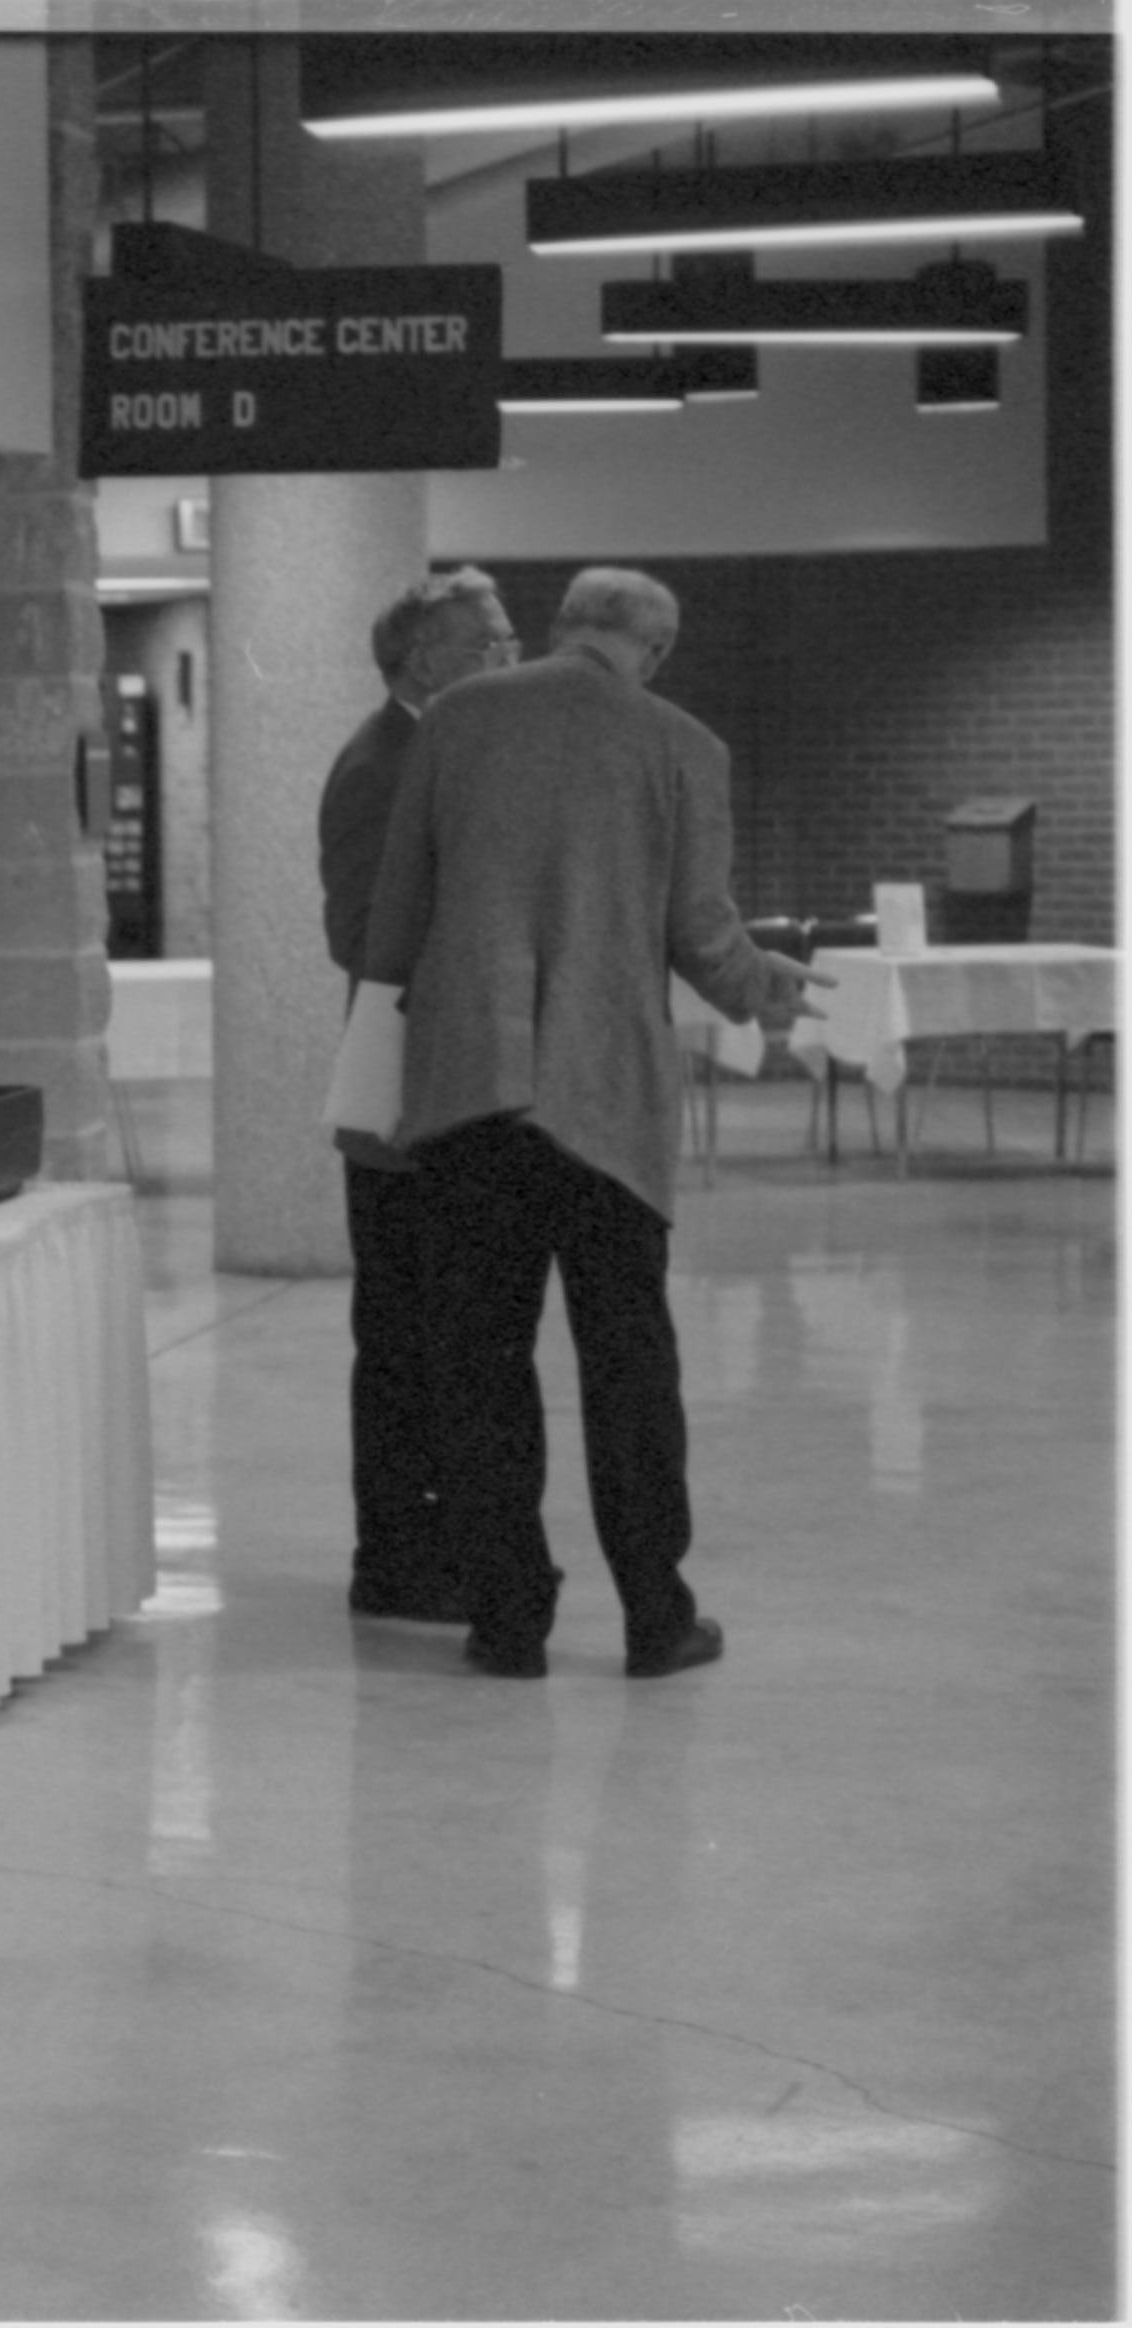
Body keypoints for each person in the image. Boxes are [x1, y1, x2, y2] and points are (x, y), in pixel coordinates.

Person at [359, 567, 827, 1681]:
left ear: (562, 628)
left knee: (479, 1365)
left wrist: (384, 1039)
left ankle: (509, 1621)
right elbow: (700, 929)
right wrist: (763, 986)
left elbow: (399, 903)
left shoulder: (462, 719)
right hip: (606, 1102)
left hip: (471, 1091)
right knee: (628, 1367)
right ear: (654, 650)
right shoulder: (683, 747)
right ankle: (655, 1618)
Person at [318, 567, 516, 1625]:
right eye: (489, 642)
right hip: (402, 1096)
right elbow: (362, 939)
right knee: (401, 1336)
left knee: (446, 1332)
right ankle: (394, 1556)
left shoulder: (445, 749)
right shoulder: (380, 767)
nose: (510, 656)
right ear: (424, 661)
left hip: (453, 1092)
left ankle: (435, 1540)